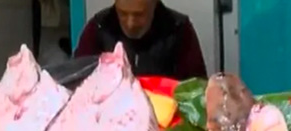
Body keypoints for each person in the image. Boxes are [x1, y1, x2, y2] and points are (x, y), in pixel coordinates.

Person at [73, 0, 207, 80]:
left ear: (154, 3)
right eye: (122, 14)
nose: (130, 23)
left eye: (139, 15)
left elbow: (196, 91)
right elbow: (76, 83)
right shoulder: (98, 28)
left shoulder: (179, 30)